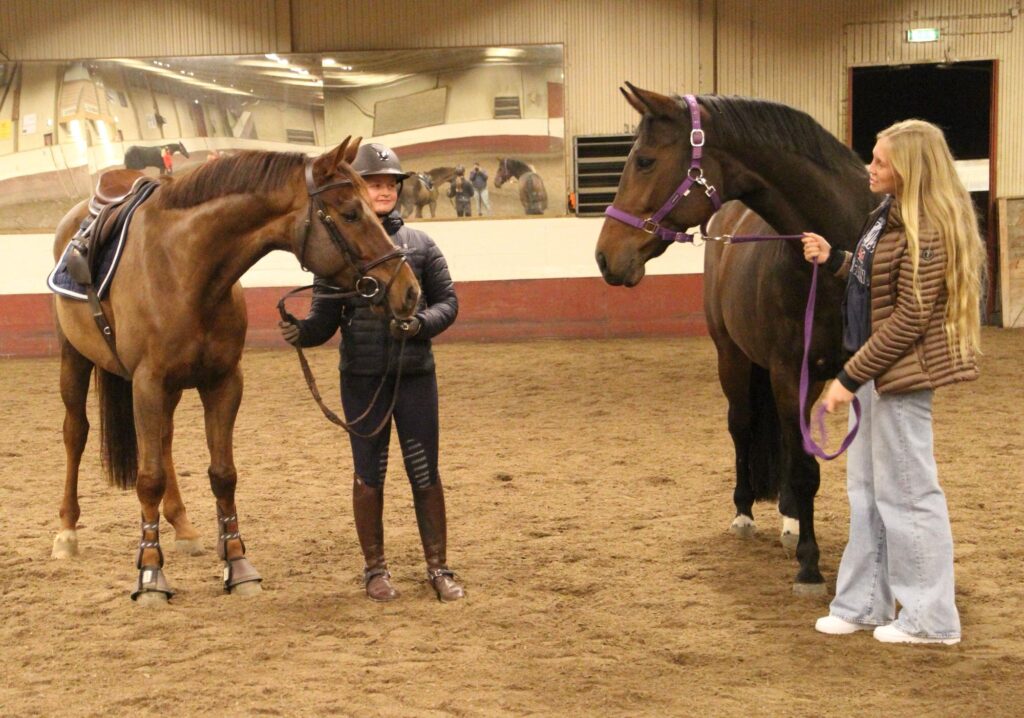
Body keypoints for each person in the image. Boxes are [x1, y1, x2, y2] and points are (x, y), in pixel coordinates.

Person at [802, 120, 984, 645]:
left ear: (909, 168)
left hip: (898, 378)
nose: (870, 169)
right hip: (874, 373)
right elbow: (872, 284)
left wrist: (846, 377)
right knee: (867, 492)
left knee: (908, 494)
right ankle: (862, 604)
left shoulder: (926, 227)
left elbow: (910, 317)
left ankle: (931, 619)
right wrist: (834, 259)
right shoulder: (889, 216)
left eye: (881, 161)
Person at [279, 142, 465, 603]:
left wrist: (420, 324)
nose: (383, 191)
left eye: (389, 184)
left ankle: (438, 566)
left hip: (414, 375)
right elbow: (325, 320)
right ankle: (375, 569)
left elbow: (449, 303)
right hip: (361, 377)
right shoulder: (338, 253)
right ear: (360, 191)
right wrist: (301, 333)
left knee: (425, 472)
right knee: (369, 474)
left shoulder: (421, 245)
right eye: (374, 185)